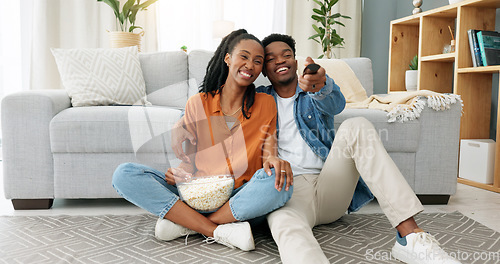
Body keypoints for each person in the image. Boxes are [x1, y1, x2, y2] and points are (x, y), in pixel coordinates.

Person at [172, 33, 461, 264]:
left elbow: (334, 103)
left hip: (329, 185)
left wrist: (320, 83)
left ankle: (410, 239)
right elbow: (219, 112)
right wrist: (182, 126)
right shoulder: (257, 100)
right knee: (288, 233)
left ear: (296, 62)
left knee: (356, 125)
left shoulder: (311, 91)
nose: (279, 61)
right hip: (283, 191)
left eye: (286, 55)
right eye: (269, 59)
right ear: (263, 70)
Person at [112, 29, 293, 252]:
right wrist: (178, 175)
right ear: (228, 58)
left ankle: (187, 224)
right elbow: (189, 163)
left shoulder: (266, 103)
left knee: (281, 183)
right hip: (197, 195)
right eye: (243, 57)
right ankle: (215, 230)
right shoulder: (197, 103)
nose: (250, 65)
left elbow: (269, 153)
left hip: (240, 199)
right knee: (124, 173)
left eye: (258, 61)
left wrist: (275, 161)